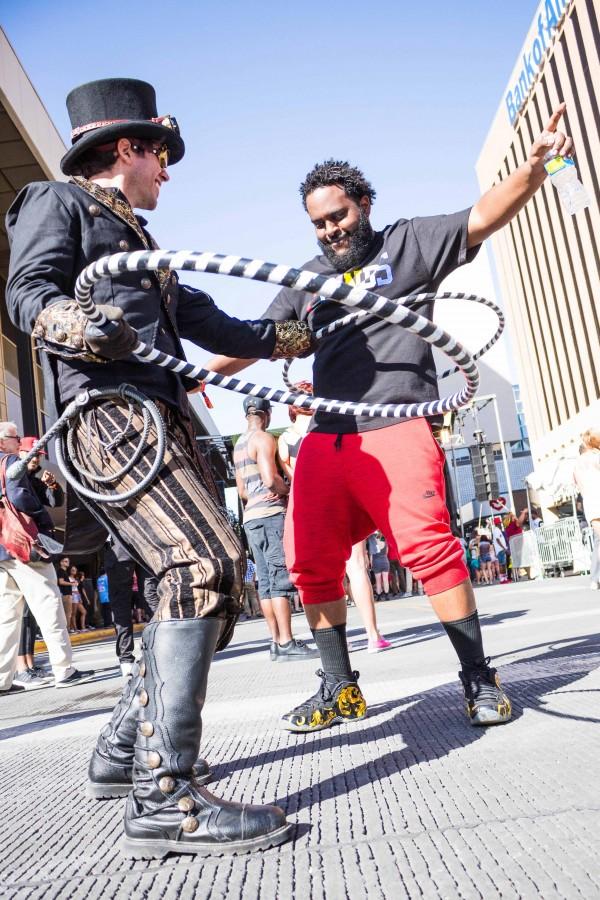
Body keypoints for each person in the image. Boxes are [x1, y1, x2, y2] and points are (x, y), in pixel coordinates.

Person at [5, 78, 308, 855]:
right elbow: (27, 293)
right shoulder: (56, 201)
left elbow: (213, 321)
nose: (167, 171)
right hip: (111, 416)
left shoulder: (142, 245)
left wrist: (294, 335)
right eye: (161, 157)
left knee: (211, 575)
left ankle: (119, 756)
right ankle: (165, 797)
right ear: (128, 149)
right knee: (200, 563)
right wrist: (79, 322)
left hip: (160, 418)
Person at [205, 106, 573, 731]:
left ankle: (479, 680)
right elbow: (262, 338)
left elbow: (484, 213)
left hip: (398, 424)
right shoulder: (307, 282)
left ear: (365, 203)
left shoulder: (410, 243)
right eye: (318, 223)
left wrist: (535, 169)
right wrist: (200, 370)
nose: (328, 230)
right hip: (330, 436)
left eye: (338, 216)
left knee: (430, 550)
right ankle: (339, 686)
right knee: (308, 560)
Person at [280, 388, 390, 651]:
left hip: (311, 506)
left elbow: (294, 478)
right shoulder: (330, 428)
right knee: (357, 568)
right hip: (342, 500)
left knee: (322, 573)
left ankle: (338, 643)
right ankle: (373, 635)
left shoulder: (285, 439)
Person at [0, 422, 93, 693]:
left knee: (7, 615)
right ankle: (64, 669)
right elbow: (19, 497)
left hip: (4, 549)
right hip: (24, 546)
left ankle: (2, 679)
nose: (19, 442)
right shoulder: (11, 463)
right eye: (15, 437)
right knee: (49, 603)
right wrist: (40, 520)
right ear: (3, 441)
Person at [233, 396, 317, 662]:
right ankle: (287, 642)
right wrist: (289, 491)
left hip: (251, 517)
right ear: (266, 414)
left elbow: (242, 491)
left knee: (266, 583)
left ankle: (275, 642)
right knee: (279, 578)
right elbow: (271, 480)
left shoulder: (239, 445)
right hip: (270, 516)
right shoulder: (264, 439)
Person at [573, 428, 600, 590]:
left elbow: (578, 485)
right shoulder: (597, 457)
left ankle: (595, 578)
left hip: (591, 504)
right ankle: (595, 577)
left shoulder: (577, 464)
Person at [366, 531, 392, 601]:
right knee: (385, 579)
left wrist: (371, 565)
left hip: (376, 562)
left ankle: (379, 596)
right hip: (385, 561)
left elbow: (371, 555)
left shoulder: (373, 543)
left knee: (378, 580)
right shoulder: (384, 540)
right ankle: (387, 595)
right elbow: (387, 551)